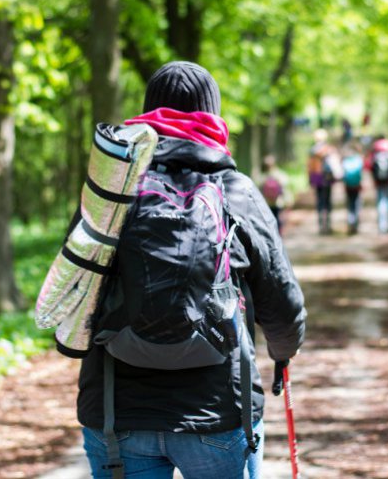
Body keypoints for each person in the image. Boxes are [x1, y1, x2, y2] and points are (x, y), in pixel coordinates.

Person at [76, 61, 306, 479]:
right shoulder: (236, 191)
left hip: (117, 413)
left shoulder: (111, 192)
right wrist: (283, 351)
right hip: (219, 411)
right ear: (214, 118)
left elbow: (74, 288)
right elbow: (282, 300)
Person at [308, 129, 340, 235]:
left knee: (319, 201)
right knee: (327, 201)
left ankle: (321, 225)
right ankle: (328, 224)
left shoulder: (312, 151)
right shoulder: (329, 149)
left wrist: (310, 178)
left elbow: (309, 166)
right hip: (327, 177)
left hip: (317, 177)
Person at [259, 154, 292, 234]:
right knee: (278, 218)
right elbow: (284, 187)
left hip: (266, 202)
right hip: (278, 202)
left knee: (268, 219)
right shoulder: (279, 174)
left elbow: (259, 188)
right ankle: (279, 235)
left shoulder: (262, 176)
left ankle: (271, 234)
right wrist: (287, 200)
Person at [340, 143, 365, 235]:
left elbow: (342, 173)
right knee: (357, 204)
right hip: (357, 186)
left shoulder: (345, 161)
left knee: (350, 205)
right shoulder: (359, 160)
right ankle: (356, 223)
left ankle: (351, 222)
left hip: (348, 186)